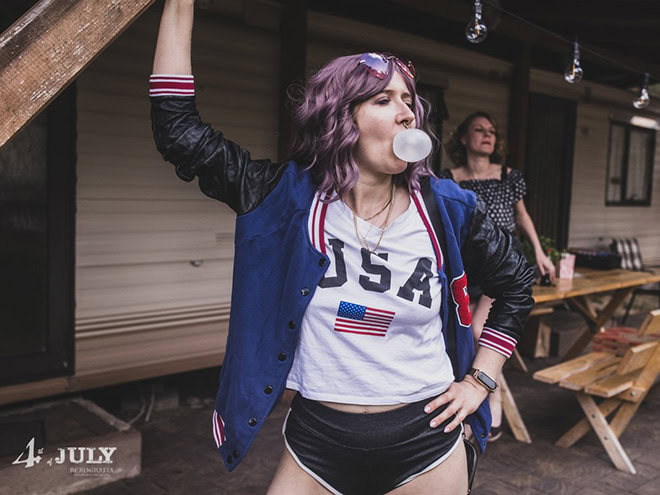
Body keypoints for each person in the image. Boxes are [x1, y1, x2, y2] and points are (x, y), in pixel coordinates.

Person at [150, 1, 534, 493]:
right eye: (383, 100)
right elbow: (179, 133)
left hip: (426, 444)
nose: (407, 114)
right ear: (341, 118)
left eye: (409, 101)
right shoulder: (286, 199)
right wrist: (180, 4)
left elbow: (517, 282)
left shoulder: (446, 207)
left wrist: (480, 381)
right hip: (316, 443)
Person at [441, 111, 555, 441]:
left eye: (491, 130)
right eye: (479, 130)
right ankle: (462, 400)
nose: (487, 135)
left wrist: (540, 252)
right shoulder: (449, 178)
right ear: (463, 138)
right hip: (465, 265)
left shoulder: (508, 176)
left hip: (502, 265)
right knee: (461, 332)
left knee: (481, 329)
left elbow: (523, 217)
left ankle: (493, 394)